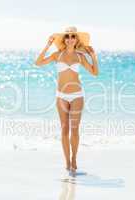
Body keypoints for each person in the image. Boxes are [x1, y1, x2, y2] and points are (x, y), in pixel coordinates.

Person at [35, 26, 99, 173]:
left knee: (75, 130)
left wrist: (93, 56)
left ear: (76, 40)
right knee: (64, 129)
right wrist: (47, 45)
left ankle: (75, 158)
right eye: (68, 36)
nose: (70, 39)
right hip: (61, 96)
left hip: (77, 95)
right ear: (64, 39)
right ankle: (67, 161)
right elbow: (38, 63)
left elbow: (95, 73)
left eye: (73, 36)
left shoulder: (80, 57)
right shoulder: (57, 55)